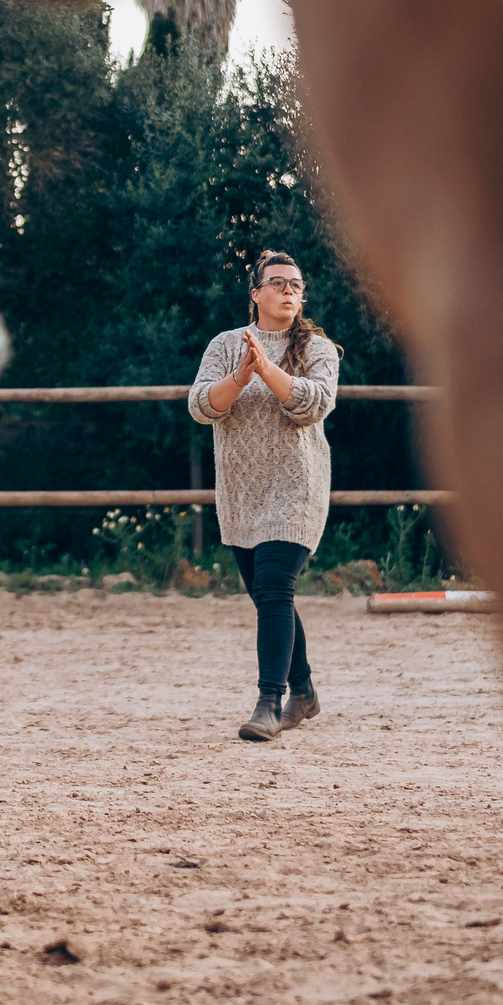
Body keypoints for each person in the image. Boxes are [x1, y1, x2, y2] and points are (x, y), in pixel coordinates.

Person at [189, 249, 342, 742]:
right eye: (278, 283)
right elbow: (200, 406)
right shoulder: (226, 344)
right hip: (241, 491)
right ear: (255, 293)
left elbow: (312, 405)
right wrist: (242, 374)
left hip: (296, 487)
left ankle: (268, 703)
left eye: (296, 284)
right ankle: (304, 690)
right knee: (267, 595)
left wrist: (268, 371)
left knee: (275, 587)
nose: (290, 291)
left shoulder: (317, 348)